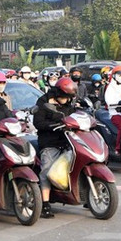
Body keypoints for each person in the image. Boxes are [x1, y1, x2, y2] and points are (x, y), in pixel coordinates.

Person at [32, 77, 77, 218]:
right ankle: (45, 203)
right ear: (58, 94)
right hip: (50, 141)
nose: (67, 100)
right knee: (46, 170)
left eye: (69, 98)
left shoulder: (69, 101)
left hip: (69, 139)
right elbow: (38, 122)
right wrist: (52, 126)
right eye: (65, 97)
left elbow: (74, 115)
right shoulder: (43, 102)